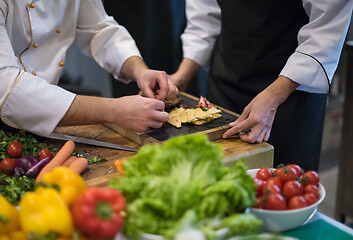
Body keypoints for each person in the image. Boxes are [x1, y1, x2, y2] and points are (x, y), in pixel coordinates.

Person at [171, 0, 353, 171]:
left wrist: (274, 96)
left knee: (281, 192)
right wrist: (182, 76)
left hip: (292, 92)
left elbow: (325, 30)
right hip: (225, 82)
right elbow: (205, 15)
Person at [0, 0, 178, 137]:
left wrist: (140, 71)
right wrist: (113, 111)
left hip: (47, 114)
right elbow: (7, 86)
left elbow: (100, 30)